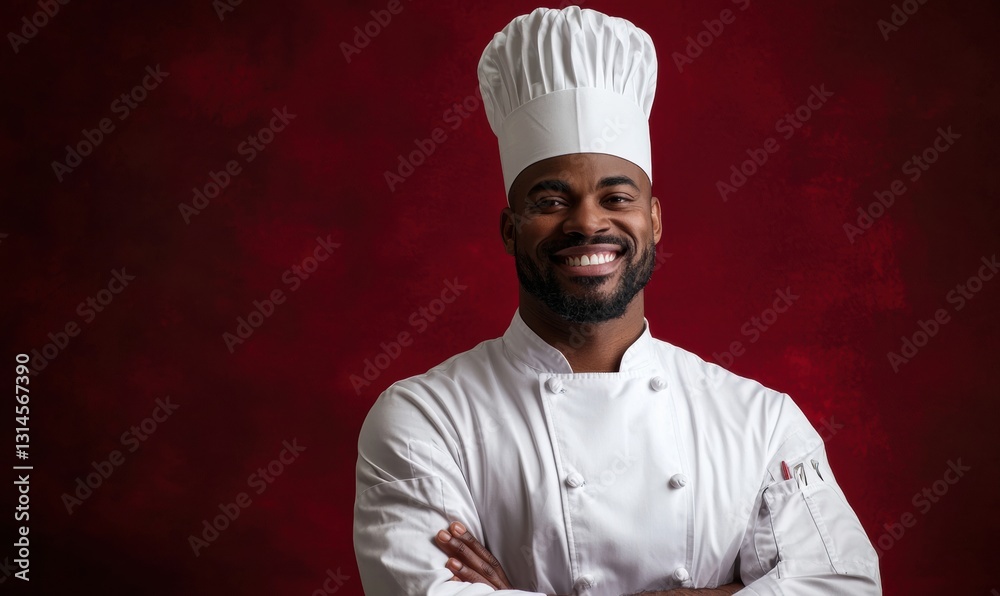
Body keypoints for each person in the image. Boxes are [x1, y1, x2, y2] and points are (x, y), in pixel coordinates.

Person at [353, 7, 881, 595]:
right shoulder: (425, 420)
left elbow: (847, 587)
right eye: (551, 201)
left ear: (653, 220)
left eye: (616, 197)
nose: (587, 223)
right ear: (509, 229)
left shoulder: (759, 421)